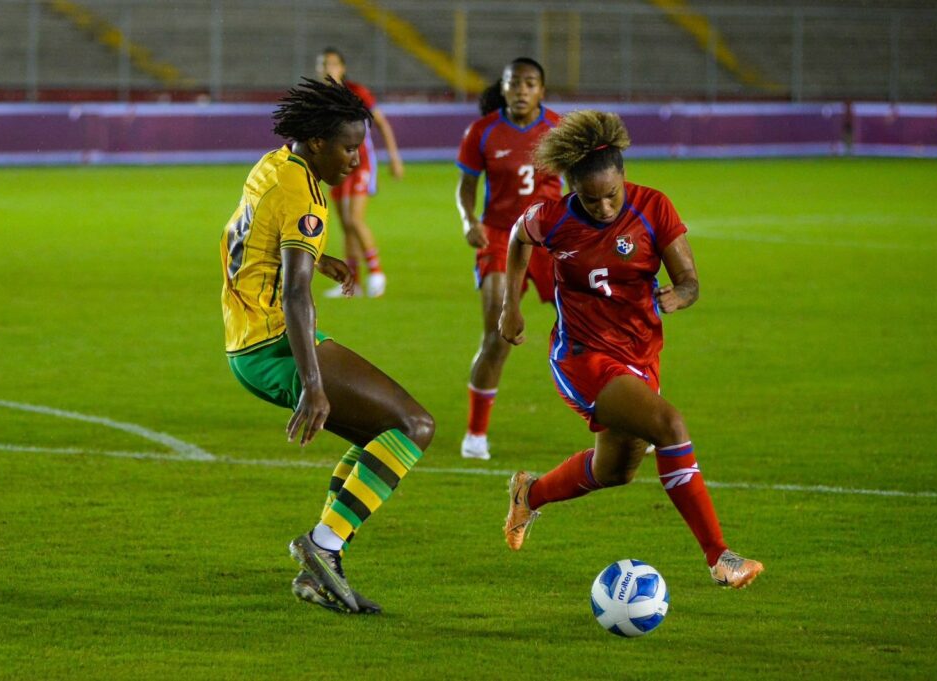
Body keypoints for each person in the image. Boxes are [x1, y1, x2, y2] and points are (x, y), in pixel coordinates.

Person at [498, 110, 763, 589]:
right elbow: (519, 237)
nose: (604, 207)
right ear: (572, 189)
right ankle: (720, 557)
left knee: (615, 470)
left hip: (640, 354)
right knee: (670, 424)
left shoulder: (653, 207)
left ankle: (529, 495)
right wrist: (510, 306)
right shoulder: (552, 217)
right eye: (591, 198)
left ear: (624, 177)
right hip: (583, 356)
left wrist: (680, 295)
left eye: (612, 194)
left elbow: (689, 281)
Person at [219, 77, 434, 614]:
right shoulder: (305, 197)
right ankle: (322, 547)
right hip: (274, 343)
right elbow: (295, 294)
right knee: (413, 426)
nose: (356, 161)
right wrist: (313, 386)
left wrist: (318, 258)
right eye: (348, 148)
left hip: (248, 336)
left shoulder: (274, 164)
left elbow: (255, 242)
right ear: (316, 142)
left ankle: (322, 566)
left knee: (380, 436)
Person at [455, 57, 561, 461]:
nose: (521, 90)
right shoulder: (482, 132)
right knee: (497, 337)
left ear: (541, 90)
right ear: (503, 88)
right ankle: (475, 434)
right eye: (514, 83)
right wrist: (469, 220)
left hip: (551, 237)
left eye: (530, 83)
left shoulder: (559, 129)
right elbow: (466, 186)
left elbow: (583, 180)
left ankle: (632, 416)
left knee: (596, 326)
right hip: (500, 237)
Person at [316, 47, 404, 298]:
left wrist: (394, 157)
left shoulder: (356, 93)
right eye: (323, 65)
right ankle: (351, 283)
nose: (328, 69)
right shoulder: (320, 99)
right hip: (337, 166)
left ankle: (376, 272)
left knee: (354, 219)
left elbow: (381, 123)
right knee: (345, 224)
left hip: (360, 162)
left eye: (333, 64)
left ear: (342, 68)